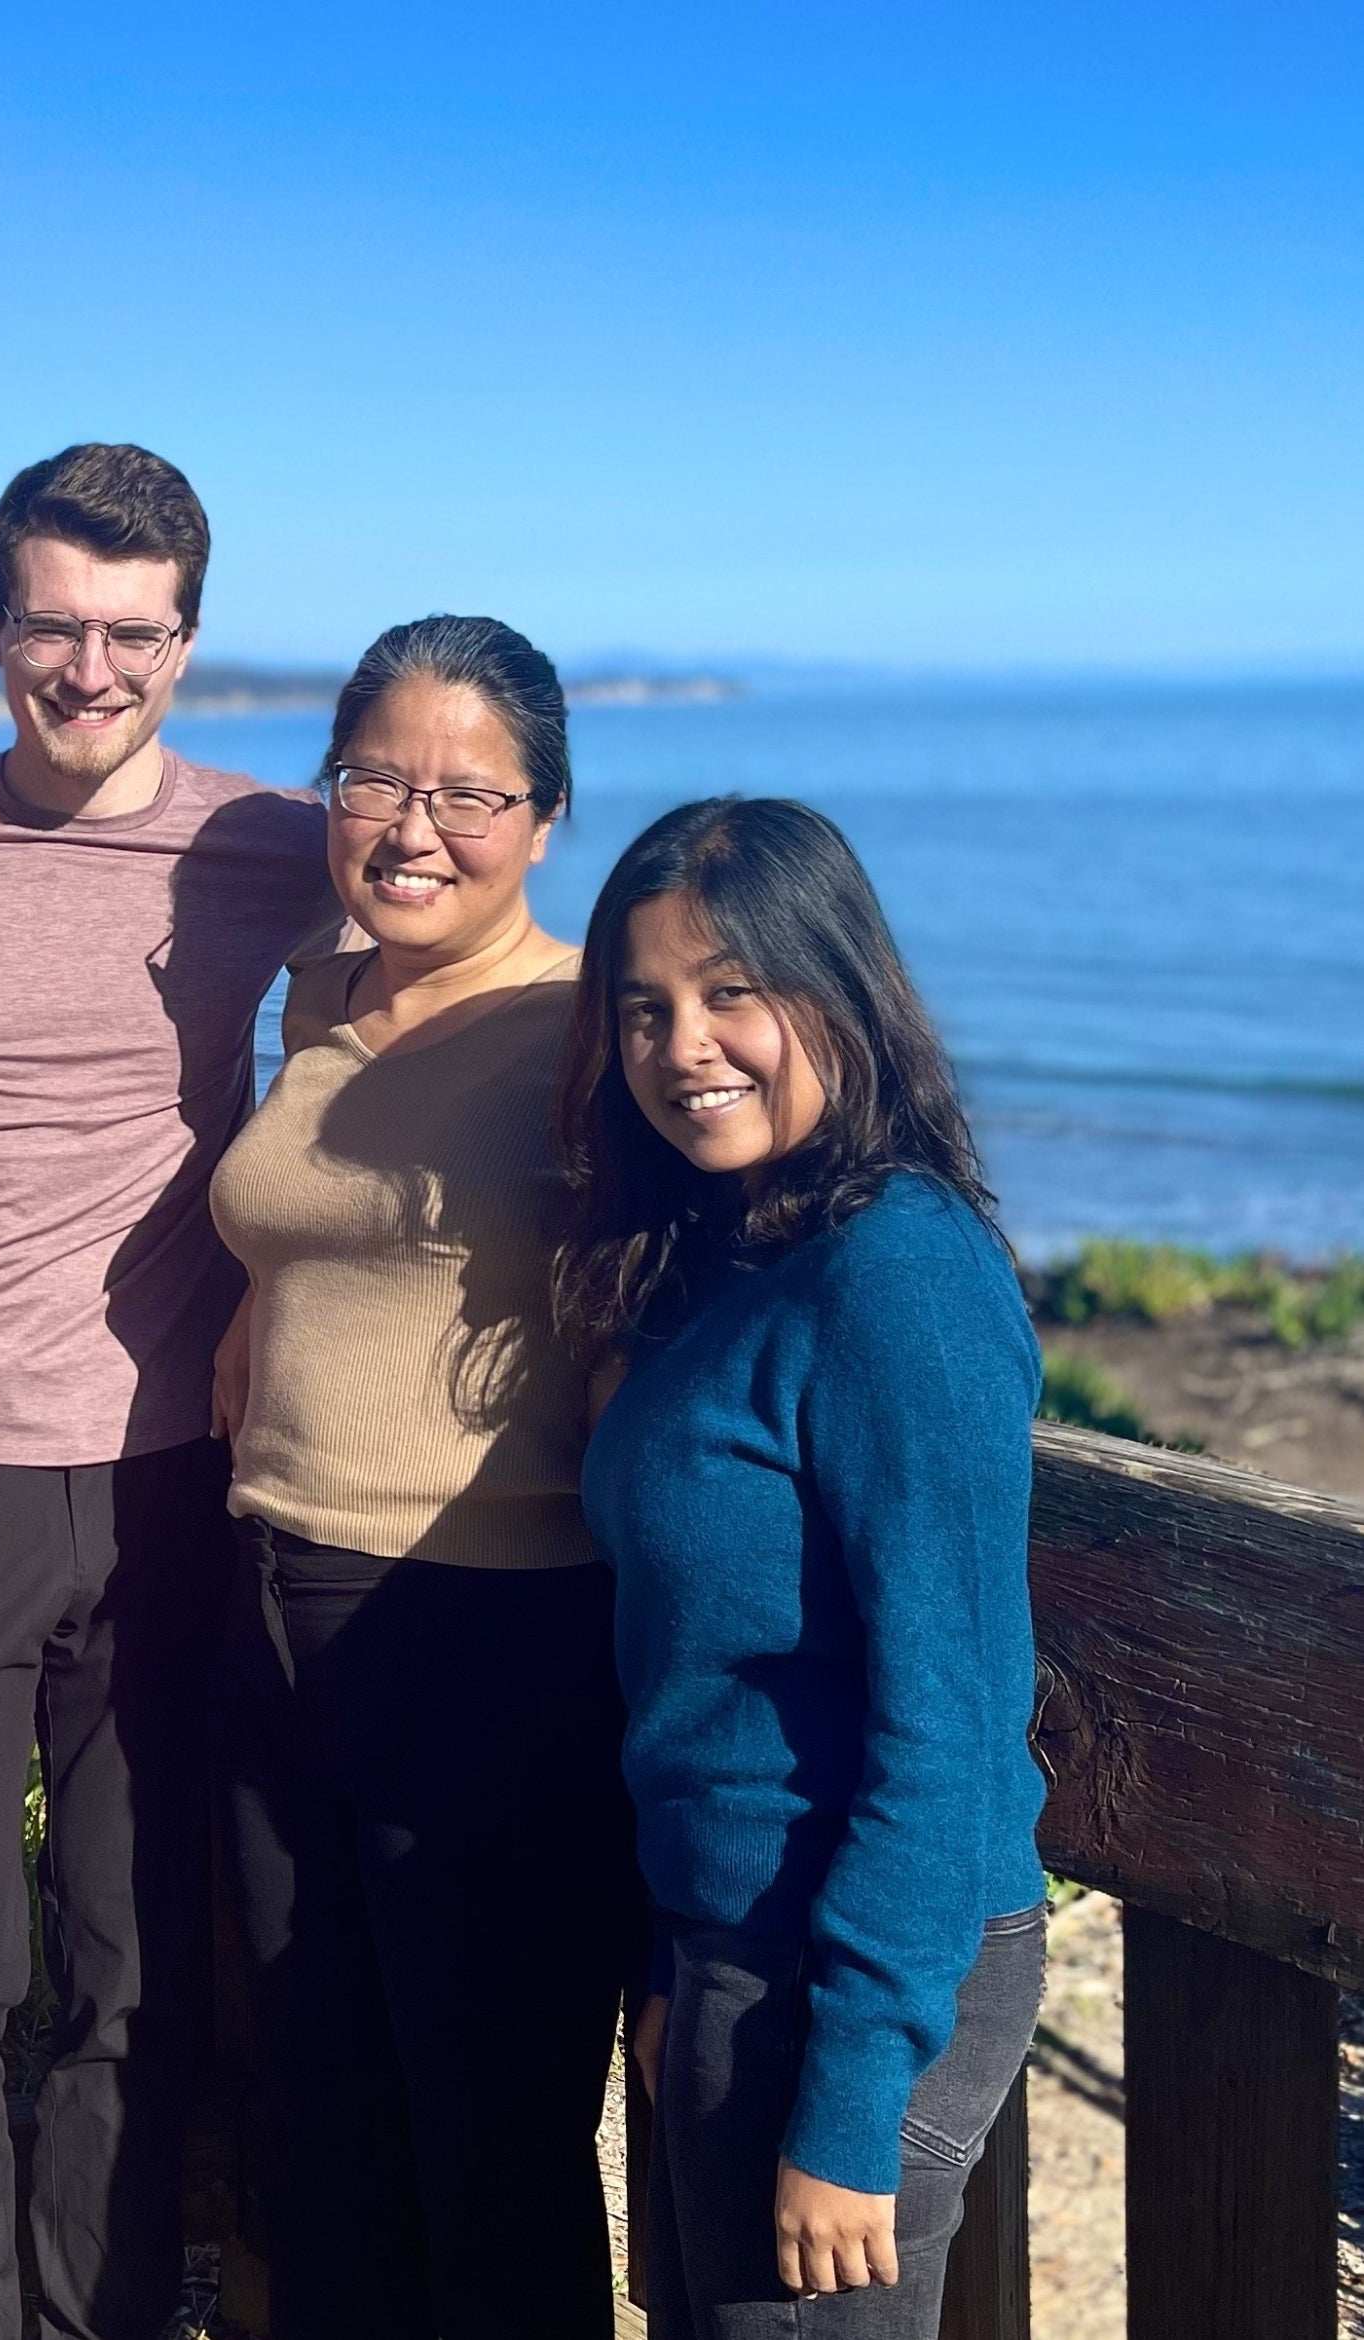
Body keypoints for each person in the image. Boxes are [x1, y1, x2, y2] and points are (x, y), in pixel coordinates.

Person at [0, 443, 341, 2340]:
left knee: (131, 1968)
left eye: (134, 632)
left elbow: (421, 1014)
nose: (90, 668)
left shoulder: (274, 844)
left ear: (187, 642)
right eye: (56, 625)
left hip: (171, 1473)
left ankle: (99, 2313)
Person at [207, 614, 642, 2340]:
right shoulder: (327, 988)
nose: (413, 824)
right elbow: (310, 1245)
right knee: (318, 2126)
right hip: (273, 1596)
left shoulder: (592, 1034)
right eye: (374, 776)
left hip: (493, 1632)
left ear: (546, 821)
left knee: (494, 2147)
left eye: (471, 793)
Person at [562, 797, 1048, 2338]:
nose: (684, 1045)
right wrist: (681, 1960)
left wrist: (848, 2106)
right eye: (644, 1008)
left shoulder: (899, 1275)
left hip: (861, 1977)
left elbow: (951, 1731)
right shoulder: (728, 1255)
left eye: (730, 994)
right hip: (735, 1950)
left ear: (835, 991)